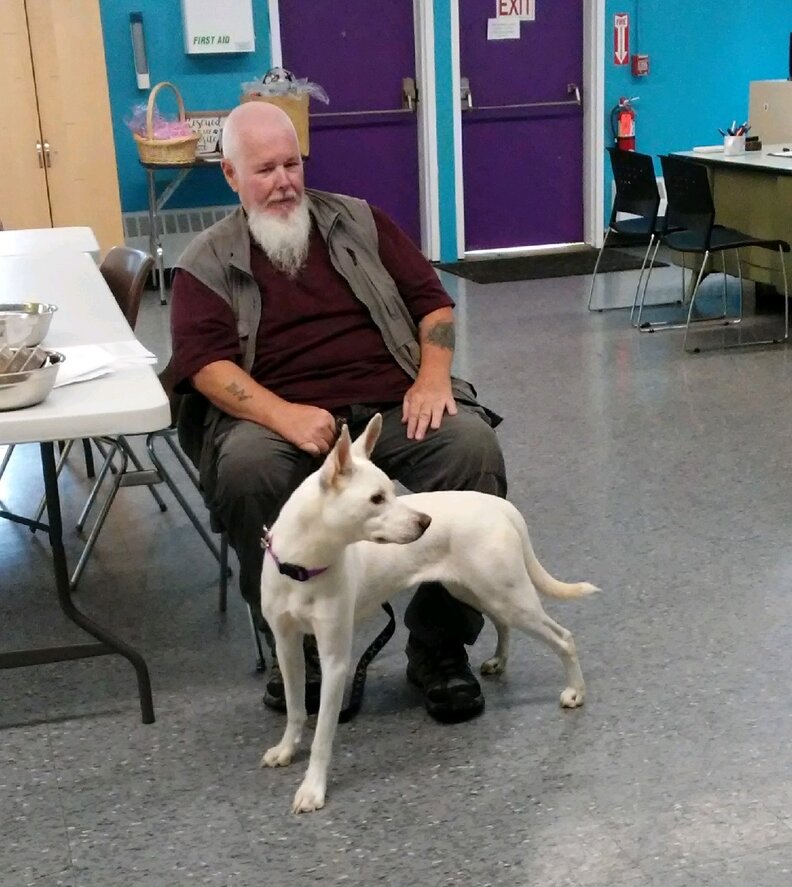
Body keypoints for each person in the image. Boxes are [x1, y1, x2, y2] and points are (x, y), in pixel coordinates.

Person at [170, 100, 507, 723]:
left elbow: (432, 303)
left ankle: (438, 647)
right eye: (265, 169)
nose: (283, 182)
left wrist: (434, 378)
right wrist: (285, 416)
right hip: (278, 416)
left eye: (292, 164)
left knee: (471, 447)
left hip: (389, 399)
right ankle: (301, 652)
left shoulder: (359, 221)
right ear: (230, 175)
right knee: (246, 469)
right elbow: (207, 368)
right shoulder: (206, 262)